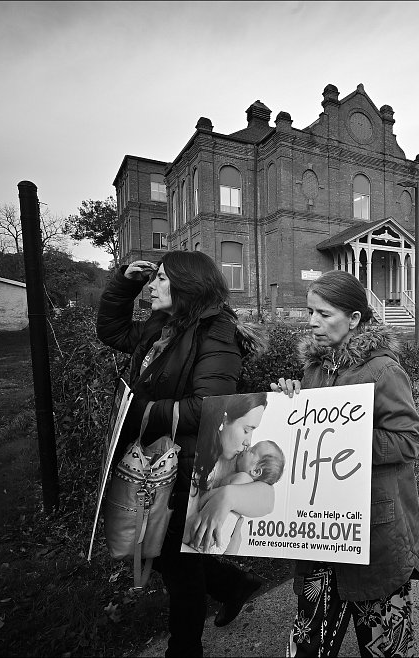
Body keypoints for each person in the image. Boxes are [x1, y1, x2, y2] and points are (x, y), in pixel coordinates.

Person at [96, 252, 269, 656]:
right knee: (168, 554)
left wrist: (135, 411)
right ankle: (233, 585)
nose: (151, 287)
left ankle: (185, 648)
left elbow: (208, 406)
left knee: (176, 565)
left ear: (186, 285)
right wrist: (125, 282)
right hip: (159, 456)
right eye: (151, 280)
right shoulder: (167, 325)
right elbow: (113, 333)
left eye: (159, 279)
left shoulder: (217, 333)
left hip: (187, 464)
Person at [271, 270, 419, 657]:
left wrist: (347, 440)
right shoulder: (315, 369)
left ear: (354, 319)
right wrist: (293, 405)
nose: (312, 322)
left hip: (373, 533)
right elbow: (308, 440)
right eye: (310, 312)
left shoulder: (384, 371)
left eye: (324, 314)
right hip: (322, 530)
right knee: (308, 645)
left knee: (385, 648)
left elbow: (408, 441)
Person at [183, 394, 285, 556]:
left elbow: (268, 497)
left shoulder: (235, 464)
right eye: (246, 430)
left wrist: (228, 496)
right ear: (223, 420)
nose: (248, 443)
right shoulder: (192, 452)